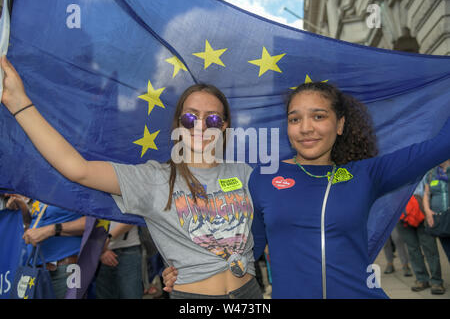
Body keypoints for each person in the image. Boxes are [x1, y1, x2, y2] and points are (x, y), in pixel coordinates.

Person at [1, 56, 261, 299]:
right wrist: (19, 103)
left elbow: (275, 223)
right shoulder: (154, 178)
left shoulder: (244, 173)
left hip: (249, 294)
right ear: (179, 123)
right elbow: (77, 168)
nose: (201, 126)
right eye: (191, 117)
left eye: (213, 119)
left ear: (224, 126)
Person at [162, 82, 450, 299]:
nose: (305, 128)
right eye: (295, 119)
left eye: (319, 116)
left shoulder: (366, 174)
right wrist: (186, 271)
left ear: (339, 124)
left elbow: (440, 145)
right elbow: (239, 253)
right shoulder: (262, 179)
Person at [6, 196, 85, 299]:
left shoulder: (78, 186)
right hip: (37, 269)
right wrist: (23, 208)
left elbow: (93, 223)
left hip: (64, 268)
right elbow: (36, 224)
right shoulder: (42, 188)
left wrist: (51, 230)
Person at [396, 177, 445, 295]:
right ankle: (421, 279)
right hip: (402, 215)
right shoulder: (394, 171)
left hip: (422, 212)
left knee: (430, 249)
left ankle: (436, 281)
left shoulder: (424, 169)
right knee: (412, 250)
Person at [95, 221, 143, 299]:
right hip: (99, 251)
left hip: (128, 248)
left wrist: (107, 239)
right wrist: (101, 250)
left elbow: (132, 216)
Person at [423, 159, 450, 262]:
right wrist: (427, 211)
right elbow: (426, 194)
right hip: (440, 219)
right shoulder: (431, 173)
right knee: (448, 250)